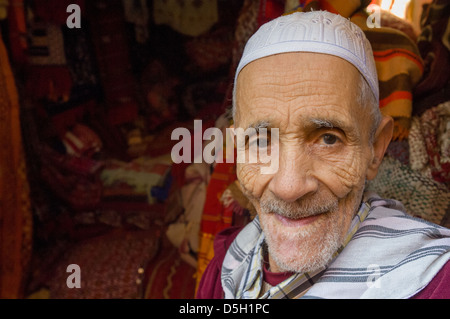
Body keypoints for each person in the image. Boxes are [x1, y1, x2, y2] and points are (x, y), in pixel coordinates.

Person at [196, 10, 450, 299]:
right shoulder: (227, 267)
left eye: (328, 139)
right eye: (262, 140)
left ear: (375, 149)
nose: (289, 187)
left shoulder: (433, 282)